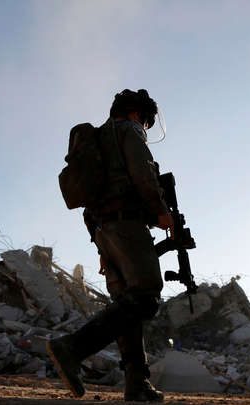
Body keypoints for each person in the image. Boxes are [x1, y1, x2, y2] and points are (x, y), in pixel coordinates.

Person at [47, 89, 174, 402]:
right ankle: (72, 348)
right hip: (127, 224)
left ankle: (137, 384)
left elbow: (89, 202)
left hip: (104, 230)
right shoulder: (129, 130)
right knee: (145, 298)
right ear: (136, 114)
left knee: (127, 307)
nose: (144, 128)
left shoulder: (96, 140)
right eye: (145, 122)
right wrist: (161, 211)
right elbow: (143, 174)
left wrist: (102, 248)